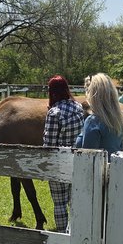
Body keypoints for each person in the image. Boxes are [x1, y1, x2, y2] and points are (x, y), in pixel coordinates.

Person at [44, 73, 123, 244]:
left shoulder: (93, 121)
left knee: (74, 237)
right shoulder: (118, 121)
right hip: (111, 186)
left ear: (95, 94)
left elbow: (86, 158)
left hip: (90, 188)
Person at [42, 75, 84, 234]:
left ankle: (62, 235)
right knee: (75, 201)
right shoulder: (78, 107)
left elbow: (49, 144)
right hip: (77, 160)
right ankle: (76, 232)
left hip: (59, 163)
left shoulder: (54, 113)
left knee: (59, 203)